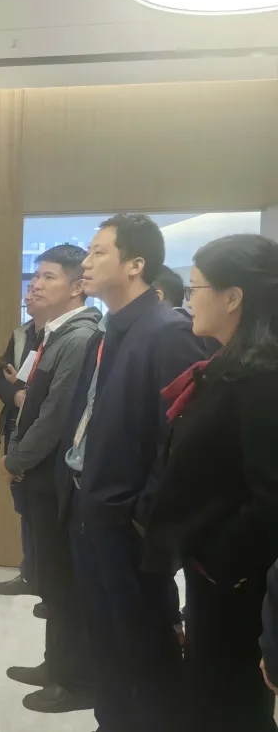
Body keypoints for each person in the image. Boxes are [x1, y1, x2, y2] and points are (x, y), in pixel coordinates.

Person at [60, 214, 205, 732]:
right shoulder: (110, 329)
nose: (86, 262)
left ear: (135, 264)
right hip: (92, 509)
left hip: (128, 523)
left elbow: (181, 442)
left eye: (99, 252)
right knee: (107, 643)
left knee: (142, 648)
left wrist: (142, 516)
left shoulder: (168, 333)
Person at [147, 235, 278, 732]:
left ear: (233, 297)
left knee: (229, 706)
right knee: (206, 697)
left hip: (239, 584)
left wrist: (221, 563)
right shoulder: (228, 363)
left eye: (196, 288)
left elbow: (270, 499)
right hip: (212, 573)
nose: (188, 301)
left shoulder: (263, 379)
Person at [1, 245, 100, 714]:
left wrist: (16, 459)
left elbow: (55, 416)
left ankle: (73, 679)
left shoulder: (79, 337)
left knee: (63, 580)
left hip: (55, 475)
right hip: (40, 474)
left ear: (78, 286)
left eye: (49, 277)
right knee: (52, 579)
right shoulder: (53, 333)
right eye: (35, 276)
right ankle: (54, 664)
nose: (36, 285)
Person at [0, 279, 43, 598]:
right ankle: (30, 573)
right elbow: (1, 376)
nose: (30, 295)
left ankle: (48, 581)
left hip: (47, 432)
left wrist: (26, 391)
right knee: (24, 504)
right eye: (29, 290)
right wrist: (16, 396)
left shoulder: (70, 336)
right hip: (18, 425)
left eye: (38, 288)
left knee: (45, 509)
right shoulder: (22, 334)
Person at [155, 264, 221, 356]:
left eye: (193, 290)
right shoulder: (191, 326)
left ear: (158, 297)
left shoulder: (172, 332)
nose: (189, 303)